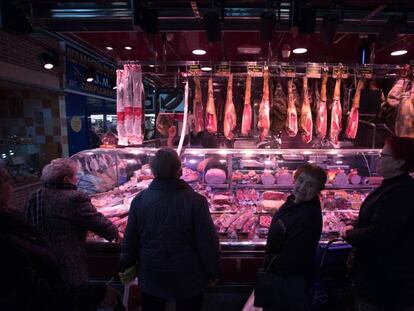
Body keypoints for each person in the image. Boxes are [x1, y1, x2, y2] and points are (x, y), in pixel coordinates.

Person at [120, 148, 220, 311]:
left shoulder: (140, 200)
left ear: (152, 172)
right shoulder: (196, 201)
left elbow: (130, 240)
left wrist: (126, 263)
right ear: (180, 171)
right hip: (188, 277)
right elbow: (207, 242)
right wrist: (213, 270)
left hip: (152, 275)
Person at [343, 136, 414, 311]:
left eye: (383, 156)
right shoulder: (393, 186)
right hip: (380, 278)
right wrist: (355, 222)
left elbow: (380, 234)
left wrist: (349, 233)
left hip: (386, 283)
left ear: (399, 163)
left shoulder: (401, 192)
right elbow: (374, 213)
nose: (379, 160)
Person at [24, 158, 119, 289]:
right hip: (67, 261)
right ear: (65, 179)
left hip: (41, 259)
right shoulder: (73, 198)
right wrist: (116, 234)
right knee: (73, 296)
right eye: (75, 176)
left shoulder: (34, 195)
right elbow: (98, 223)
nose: (77, 179)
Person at [0, 167, 69, 310]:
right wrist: (95, 295)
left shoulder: (14, 216)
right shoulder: (6, 239)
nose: (11, 184)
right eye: (7, 179)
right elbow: (33, 295)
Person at [261, 163, 326, 311]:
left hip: (289, 280)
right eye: (301, 181)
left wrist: (269, 261)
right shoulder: (293, 202)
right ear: (295, 180)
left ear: (318, 190)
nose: (302, 188)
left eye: (310, 185)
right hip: (280, 274)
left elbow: (294, 257)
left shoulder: (308, 216)